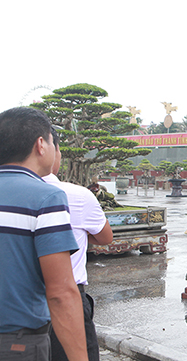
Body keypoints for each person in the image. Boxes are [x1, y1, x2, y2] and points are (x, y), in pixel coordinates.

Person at [0, 107, 88, 361]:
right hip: (17, 345)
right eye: (52, 141)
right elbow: (60, 292)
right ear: (41, 144)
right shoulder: (45, 197)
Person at [43, 127, 113, 361]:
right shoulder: (77, 195)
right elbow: (105, 237)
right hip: (68, 298)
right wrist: (79, 234)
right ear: (45, 148)